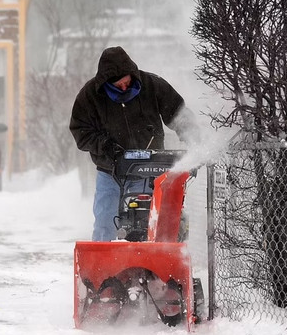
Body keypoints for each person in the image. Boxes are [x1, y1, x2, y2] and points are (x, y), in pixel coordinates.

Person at [69, 46, 199, 241]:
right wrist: (106, 146)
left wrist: (193, 137)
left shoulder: (152, 86)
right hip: (109, 170)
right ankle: (101, 266)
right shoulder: (90, 96)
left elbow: (178, 114)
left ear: (133, 75)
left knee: (145, 220)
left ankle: (148, 265)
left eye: (126, 83)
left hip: (148, 168)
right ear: (106, 83)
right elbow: (81, 131)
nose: (124, 88)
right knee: (105, 220)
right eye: (118, 86)